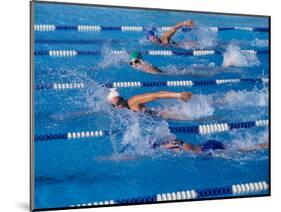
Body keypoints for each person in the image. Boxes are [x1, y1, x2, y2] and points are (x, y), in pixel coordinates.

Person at [107, 88, 192, 119]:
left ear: (122, 99)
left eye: (118, 102)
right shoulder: (121, 111)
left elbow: (156, 95)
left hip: (166, 115)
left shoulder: (133, 101)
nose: (118, 106)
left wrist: (178, 95)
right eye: (114, 105)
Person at [156, 139, 268, 153]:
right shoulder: (170, 143)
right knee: (237, 146)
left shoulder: (169, 146)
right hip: (208, 144)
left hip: (208, 149)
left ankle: (266, 144)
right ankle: (265, 143)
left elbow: (188, 147)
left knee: (241, 150)